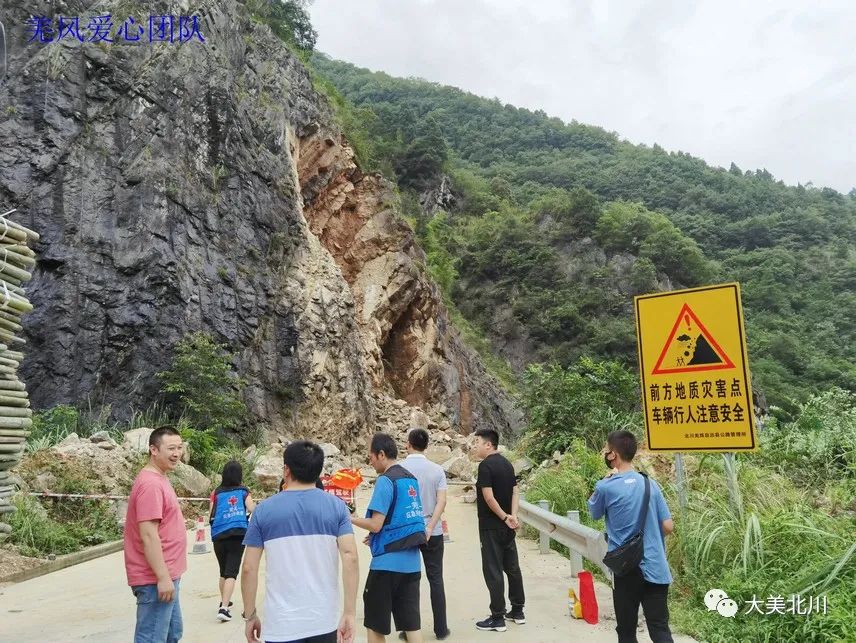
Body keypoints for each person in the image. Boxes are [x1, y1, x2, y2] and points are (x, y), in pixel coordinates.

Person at [241, 441, 358, 643]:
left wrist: (250, 615)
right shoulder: (337, 507)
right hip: (324, 620)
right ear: (318, 471)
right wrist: (349, 612)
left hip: (281, 624)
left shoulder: (263, 511)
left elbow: (248, 568)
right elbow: (351, 557)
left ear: (286, 470)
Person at [587, 430, 675, 643]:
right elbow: (668, 526)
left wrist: (604, 481)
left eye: (607, 450)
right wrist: (650, 536)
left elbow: (594, 513)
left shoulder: (605, 486)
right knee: (660, 628)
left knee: (626, 631)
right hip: (656, 566)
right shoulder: (650, 484)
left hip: (626, 569)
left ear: (613, 455)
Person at [351, 433, 426, 643]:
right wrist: (376, 535)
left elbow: (376, 524)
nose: (371, 462)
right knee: (412, 626)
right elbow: (401, 519)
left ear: (381, 454)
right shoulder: (410, 478)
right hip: (412, 565)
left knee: (375, 625)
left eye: (371, 457)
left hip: (386, 565)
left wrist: (351, 519)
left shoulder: (385, 480)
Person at [123, 426, 187, 643]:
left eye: (179, 447)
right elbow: (148, 534)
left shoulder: (160, 478)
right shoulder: (150, 484)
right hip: (155, 579)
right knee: (152, 638)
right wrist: (162, 577)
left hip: (166, 576)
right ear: (154, 450)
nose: (177, 453)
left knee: (171, 634)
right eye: (171, 448)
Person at [397, 428, 450, 641]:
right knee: (435, 578)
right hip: (433, 530)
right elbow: (442, 501)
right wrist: (430, 526)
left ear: (408, 444)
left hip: (408, 529)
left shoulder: (399, 468)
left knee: (408, 580)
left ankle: (408, 630)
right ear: (427, 446)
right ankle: (440, 629)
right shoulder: (437, 470)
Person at [472, 428, 526, 633]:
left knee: (493, 570)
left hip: (491, 526)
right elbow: (515, 490)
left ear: (488, 444)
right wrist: (512, 516)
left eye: (477, 442)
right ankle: (518, 611)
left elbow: (488, 497)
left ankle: (497, 617)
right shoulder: (507, 463)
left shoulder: (485, 466)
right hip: (508, 526)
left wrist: (504, 516)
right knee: (512, 567)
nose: (475, 446)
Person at [209, 460, 256, 622]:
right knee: (231, 572)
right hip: (237, 534)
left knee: (223, 571)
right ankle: (224, 608)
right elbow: (252, 510)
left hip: (218, 534)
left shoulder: (216, 492)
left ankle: (225, 600)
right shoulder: (243, 491)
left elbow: (211, 513)